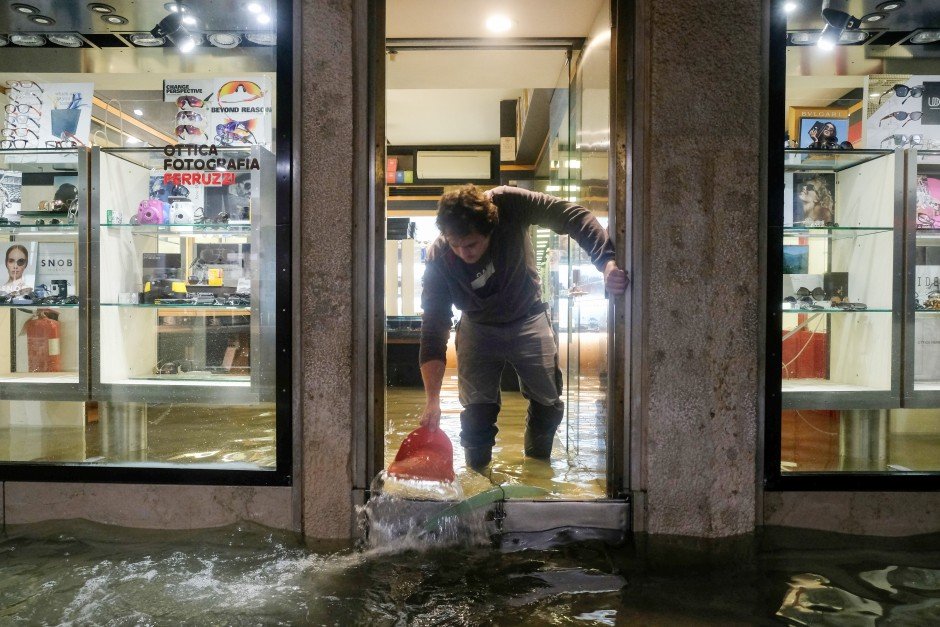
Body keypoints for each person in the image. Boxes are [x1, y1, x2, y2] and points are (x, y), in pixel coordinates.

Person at [417, 184, 629, 470]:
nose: (463, 252)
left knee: (549, 403)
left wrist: (606, 264)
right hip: (477, 325)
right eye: (455, 245)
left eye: (471, 244)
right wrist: (433, 400)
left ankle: (537, 468)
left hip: (528, 316)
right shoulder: (439, 259)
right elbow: (433, 327)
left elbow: (572, 216)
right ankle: (478, 476)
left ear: (490, 229)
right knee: (476, 415)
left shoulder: (509, 204)